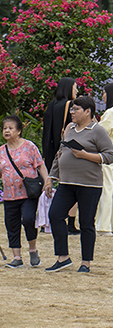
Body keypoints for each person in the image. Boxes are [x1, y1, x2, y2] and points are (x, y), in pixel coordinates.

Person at [43, 95, 113, 273]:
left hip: (90, 185)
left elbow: (110, 156)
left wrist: (85, 155)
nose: (72, 112)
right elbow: (60, 154)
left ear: (88, 111)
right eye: (72, 109)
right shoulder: (70, 128)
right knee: (55, 215)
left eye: (75, 109)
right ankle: (63, 258)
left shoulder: (97, 130)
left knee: (86, 223)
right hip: (67, 183)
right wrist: (50, 178)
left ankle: (86, 263)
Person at [1, 115, 48, 268]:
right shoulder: (1, 151)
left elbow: (40, 165)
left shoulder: (29, 146)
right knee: (11, 224)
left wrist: (47, 182)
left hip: (28, 193)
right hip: (9, 195)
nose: (7, 131)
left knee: (28, 219)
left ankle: (33, 250)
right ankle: (17, 257)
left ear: (19, 130)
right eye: (5, 128)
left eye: (10, 128)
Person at [41, 77, 79, 234]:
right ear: (68, 88)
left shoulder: (52, 105)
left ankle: (46, 220)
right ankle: (70, 223)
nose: (77, 91)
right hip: (67, 153)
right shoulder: (70, 106)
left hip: (52, 152)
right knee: (72, 189)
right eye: (75, 87)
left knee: (54, 187)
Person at [95, 83, 113, 236]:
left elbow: (101, 131)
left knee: (106, 187)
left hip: (108, 148)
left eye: (104, 93)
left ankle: (104, 226)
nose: (103, 96)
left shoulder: (111, 112)